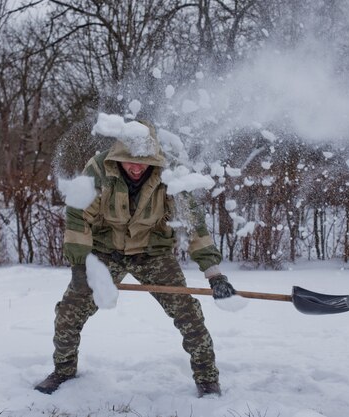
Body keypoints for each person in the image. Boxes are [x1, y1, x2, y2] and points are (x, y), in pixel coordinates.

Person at [35, 120, 237, 397]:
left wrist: (215, 275)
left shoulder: (169, 176)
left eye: (144, 161)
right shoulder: (98, 169)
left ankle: (207, 379)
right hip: (106, 252)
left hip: (152, 253)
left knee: (188, 314)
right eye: (130, 161)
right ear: (118, 154)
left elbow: (194, 225)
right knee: (69, 311)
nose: (137, 167)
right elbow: (78, 214)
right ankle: (63, 371)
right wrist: (81, 266)